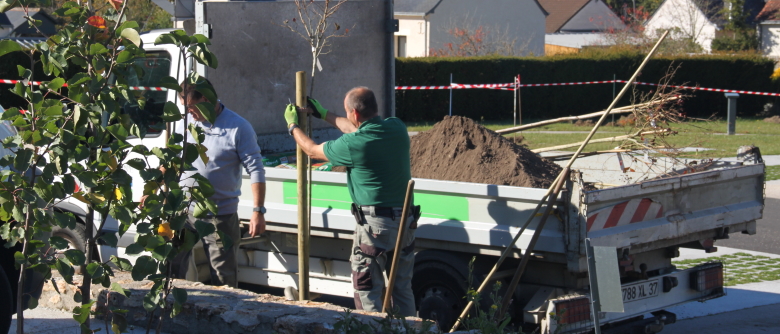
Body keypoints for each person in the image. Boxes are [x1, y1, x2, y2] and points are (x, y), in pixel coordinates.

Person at [283, 87, 418, 316]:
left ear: (354, 113)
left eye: (347, 113)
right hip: (406, 222)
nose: (347, 117)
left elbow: (312, 150)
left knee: (367, 290)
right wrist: (324, 113)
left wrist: (292, 126)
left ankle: (372, 330)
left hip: (375, 228)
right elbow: (354, 127)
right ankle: (411, 331)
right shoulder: (396, 128)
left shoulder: (354, 145)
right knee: (402, 288)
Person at [176, 78, 267, 287]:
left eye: (191, 108)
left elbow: (255, 170)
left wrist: (258, 210)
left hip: (219, 214)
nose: (189, 113)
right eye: (185, 109)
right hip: (182, 211)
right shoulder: (185, 123)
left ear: (206, 99)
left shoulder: (238, 127)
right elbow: (171, 160)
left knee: (223, 279)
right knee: (172, 271)